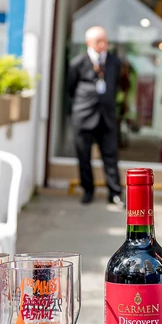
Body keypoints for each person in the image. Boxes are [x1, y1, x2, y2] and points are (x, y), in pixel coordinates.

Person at [66, 26, 124, 205]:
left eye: (105, 41)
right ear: (88, 42)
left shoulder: (114, 61)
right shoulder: (78, 62)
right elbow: (70, 88)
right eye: (98, 41)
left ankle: (115, 193)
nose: (102, 45)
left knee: (110, 155)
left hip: (106, 116)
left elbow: (117, 84)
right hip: (84, 116)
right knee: (84, 155)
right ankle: (88, 190)